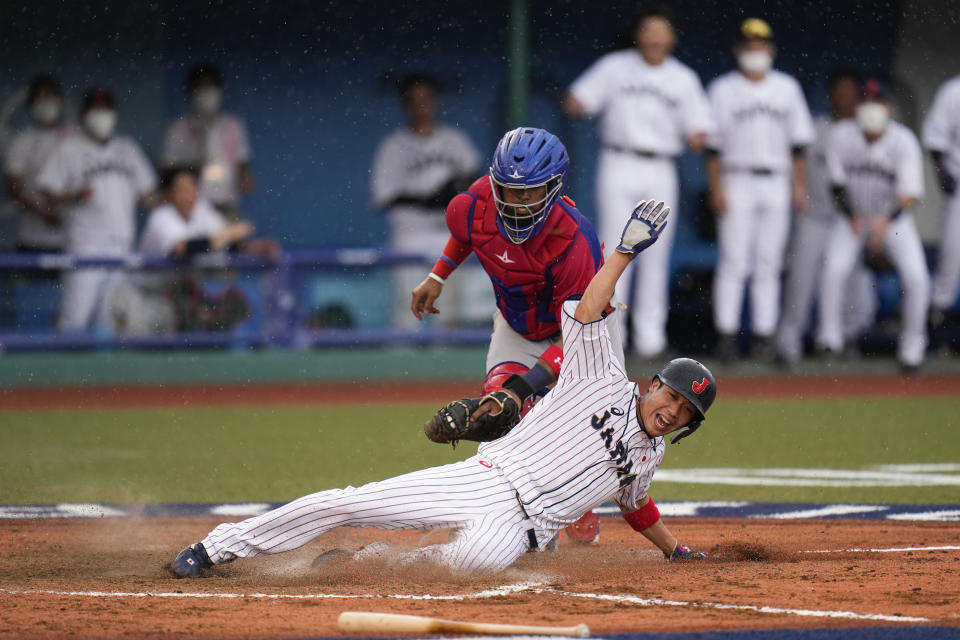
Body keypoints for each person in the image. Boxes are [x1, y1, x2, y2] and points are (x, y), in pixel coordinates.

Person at [170, 199, 716, 577]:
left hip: (520, 532)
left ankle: (364, 564)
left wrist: (676, 551)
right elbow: (591, 310)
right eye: (670, 395)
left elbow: (638, 506)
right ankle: (214, 548)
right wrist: (623, 253)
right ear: (652, 385)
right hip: (488, 480)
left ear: (689, 426)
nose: (672, 410)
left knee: (460, 566)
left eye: (685, 411)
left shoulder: (649, 457)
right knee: (351, 504)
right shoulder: (602, 377)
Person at [410, 126, 615, 544]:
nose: (516, 202)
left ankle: (582, 496)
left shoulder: (575, 240)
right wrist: (438, 275)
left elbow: (576, 337)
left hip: (581, 332)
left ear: (554, 187)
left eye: (529, 192)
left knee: (597, 436)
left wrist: (525, 387)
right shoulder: (472, 205)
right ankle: (510, 520)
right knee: (499, 409)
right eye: (507, 189)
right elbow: (468, 234)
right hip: (516, 325)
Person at [563, 5, 714, 360]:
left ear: (672, 39)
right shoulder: (615, 67)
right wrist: (581, 102)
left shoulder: (683, 78)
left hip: (660, 166)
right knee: (616, 251)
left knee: (655, 255)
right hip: (619, 160)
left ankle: (650, 341)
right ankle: (611, 338)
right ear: (639, 36)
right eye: (650, 31)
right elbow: (576, 101)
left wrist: (695, 135)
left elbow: (701, 130)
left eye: (662, 32)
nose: (656, 39)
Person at [704, 18, 814, 361]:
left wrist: (799, 187)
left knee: (769, 262)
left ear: (771, 50)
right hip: (737, 177)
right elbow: (713, 147)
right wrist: (716, 187)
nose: (756, 52)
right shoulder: (722, 89)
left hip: (776, 179)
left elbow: (799, 146)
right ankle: (726, 336)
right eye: (749, 46)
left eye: (761, 46)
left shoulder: (787, 87)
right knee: (734, 260)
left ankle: (765, 337)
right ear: (739, 49)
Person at [815, 79, 929, 374]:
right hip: (852, 216)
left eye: (878, 103)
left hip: (893, 219)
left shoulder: (903, 140)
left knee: (917, 278)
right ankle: (830, 339)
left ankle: (912, 349)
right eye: (867, 103)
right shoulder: (841, 135)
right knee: (833, 268)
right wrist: (853, 215)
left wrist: (882, 224)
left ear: (889, 109)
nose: (872, 109)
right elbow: (837, 184)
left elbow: (910, 195)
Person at [35, 87, 158, 333]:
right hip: (85, 245)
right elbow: (46, 189)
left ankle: (105, 372)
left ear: (115, 114)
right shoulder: (69, 148)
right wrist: (73, 195)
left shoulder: (127, 148)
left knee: (109, 319)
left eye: (106, 109)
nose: (101, 115)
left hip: (121, 243)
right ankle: (64, 371)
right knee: (76, 317)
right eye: (95, 109)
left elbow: (148, 195)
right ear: (84, 114)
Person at [776, 70, 876, 364]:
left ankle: (845, 340)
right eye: (840, 91)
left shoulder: (865, 134)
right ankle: (788, 345)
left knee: (849, 281)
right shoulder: (814, 128)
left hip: (849, 220)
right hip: (814, 216)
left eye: (851, 92)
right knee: (801, 281)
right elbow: (794, 164)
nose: (845, 98)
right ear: (831, 95)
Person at [371, 74, 482, 330]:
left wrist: (455, 193)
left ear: (436, 101)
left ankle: (447, 367)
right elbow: (384, 197)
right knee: (406, 313)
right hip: (410, 236)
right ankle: (400, 367)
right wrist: (432, 198)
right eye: (414, 99)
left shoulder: (455, 141)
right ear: (405, 103)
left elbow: (476, 183)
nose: (421, 104)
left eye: (426, 98)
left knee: (449, 314)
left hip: (450, 237)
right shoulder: (393, 146)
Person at [112, 166, 277, 335]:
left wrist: (255, 248)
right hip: (145, 297)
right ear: (169, 195)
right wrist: (230, 233)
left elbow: (227, 244)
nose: (188, 196)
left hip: (177, 297)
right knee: (142, 350)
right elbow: (182, 248)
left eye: (191, 189)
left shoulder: (202, 212)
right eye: (181, 190)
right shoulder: (160, 217)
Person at [161, 62, 253, 219]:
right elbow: (166, 171)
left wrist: (245, 179)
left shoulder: (233, 126)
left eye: (211, 87)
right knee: (195, 244)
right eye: (201, 88)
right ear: (190, 92)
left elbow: (242, 164)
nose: (207, 94)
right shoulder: (178, 128)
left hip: (225, 205)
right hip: (190, 209)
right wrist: (193, 169)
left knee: (232, 238)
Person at [4, 75, 74, 253]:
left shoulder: (75, 137)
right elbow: (13, 188)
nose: (46, 102)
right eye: (40, 97)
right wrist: (45, 214)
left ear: (59, 100)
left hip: (71, 240)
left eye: (50, 96)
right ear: (31, 104)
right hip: (32, 239)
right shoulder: (22, 141)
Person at [923, 74, 960, 336]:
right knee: (951, 256)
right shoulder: (953, 91)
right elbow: (935, 137)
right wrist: (942, 171)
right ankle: (935, 321)